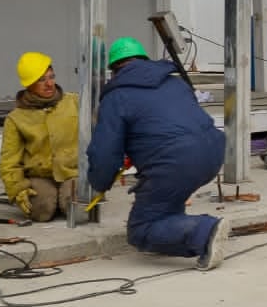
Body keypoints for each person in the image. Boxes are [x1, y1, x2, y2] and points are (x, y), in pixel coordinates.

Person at [86, 37, 228, 269]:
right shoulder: (174, 82)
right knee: (163, 198)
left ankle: (203, 232)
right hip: (213, 149)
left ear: (114, 70)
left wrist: (98, 184)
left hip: (176, 162)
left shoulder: (116, 97)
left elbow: (104, 153)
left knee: (140, 228)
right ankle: (173, 232)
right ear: (144, 59)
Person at [0, 52, 80, 222]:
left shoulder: (74, 103)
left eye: (52, 77)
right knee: (41, 211)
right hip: (40, 176)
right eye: (42, 80)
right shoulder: (16, 118)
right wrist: (18, 189)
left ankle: (64, 198)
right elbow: (9, 161)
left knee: (76, 208)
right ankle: (53, 199)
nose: (50, 84)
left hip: (72, 172)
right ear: (29, 84)